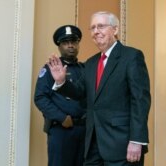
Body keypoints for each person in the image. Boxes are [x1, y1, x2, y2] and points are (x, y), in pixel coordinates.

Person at [48, 11, 151, 166]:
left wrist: (137, 140)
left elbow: (140, 101)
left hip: (122, 144)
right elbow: (80, 92)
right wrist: (62, 82)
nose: (96, 31)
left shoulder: (131, 56)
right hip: (93, 146)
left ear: (115, 30)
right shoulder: (91, 63)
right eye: (93, 28)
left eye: (101, 26)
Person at [34, 25, 86, 166]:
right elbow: (40, 98)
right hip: (61, 131)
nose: (70, 46)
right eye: (65, 42)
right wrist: (61, 117)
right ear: (59, 46)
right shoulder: (50, 68)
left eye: (74, 42)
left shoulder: (85, 69)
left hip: (84, 130)